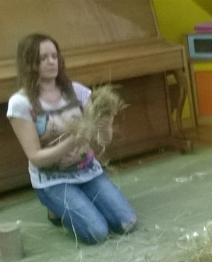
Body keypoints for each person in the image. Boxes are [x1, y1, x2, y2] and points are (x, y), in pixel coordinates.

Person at [6, 33, 136, 245]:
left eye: (54, 56)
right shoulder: (20, 103)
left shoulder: (78, 92)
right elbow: (35, 157)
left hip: (87, 171)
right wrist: (71, 143)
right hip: (53, 179)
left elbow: (103, 140)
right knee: (96, 233)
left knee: (127, 222)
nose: (52, 61)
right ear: (29, 63)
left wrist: (107, 122)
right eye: (43, 58)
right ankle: (55, 209)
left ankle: (81, 198)